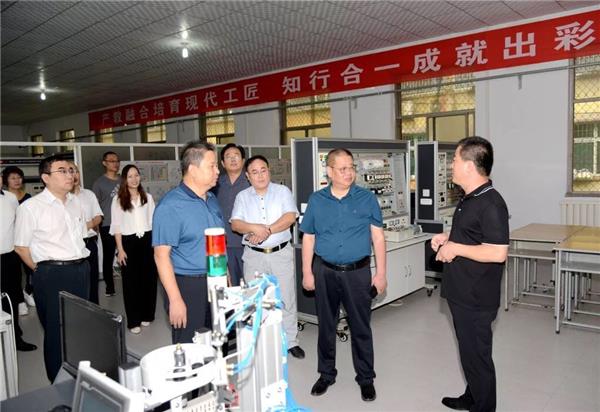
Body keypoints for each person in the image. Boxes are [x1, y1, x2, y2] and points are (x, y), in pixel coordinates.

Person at [300, 148, 386, 402]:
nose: (349, 173)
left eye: (352, 168)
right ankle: (326, 374)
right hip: (325, 271)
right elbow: (308, 237)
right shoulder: (317, 200)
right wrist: (307, 272)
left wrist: (381, 273)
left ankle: (366, 378)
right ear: (329, 171)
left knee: (361, 327)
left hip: (357, 273)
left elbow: (378, 237)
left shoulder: (366, 199)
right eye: (343, 168)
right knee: (326, 326)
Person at [431, 136, 509, 412]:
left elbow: (497, 252)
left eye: (454, 160)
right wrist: (448, 237)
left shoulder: (492, 203)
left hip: (476, 298)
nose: (450, 165)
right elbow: (473, 235)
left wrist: (455, 248)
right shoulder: (470, 198)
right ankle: (472, 396)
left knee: (478, 357)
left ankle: (483, 406)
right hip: (462, 291)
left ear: (469, 165)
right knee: (468, 352)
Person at [14, 155, 90, 382]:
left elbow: (79, 236)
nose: (70, 175)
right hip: (52, 273)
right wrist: (41, 270)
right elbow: (21, 247)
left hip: (81, 269)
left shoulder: (75, 202)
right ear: (46, 178)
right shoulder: (31, 207)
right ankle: (58, 384)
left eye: (70, 170)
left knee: (80, 326)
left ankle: (80, 376)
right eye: (62, 171)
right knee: (57, 331)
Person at [230, 155, 304, 359]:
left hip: (280, 254)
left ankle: (291, 341)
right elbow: (236, 224)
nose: (260, 175)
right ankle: (258, 342)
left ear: (269, 171)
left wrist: (267, 231)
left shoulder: (282, 191)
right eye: (255, 172)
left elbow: (290, 217)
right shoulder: (242, 197)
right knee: (254, 300)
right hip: (254, 257)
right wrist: (254, 228)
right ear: (247, 176)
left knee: (286, 298)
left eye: (263, 170)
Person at [153, 141, 223, 344]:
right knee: (189, 346)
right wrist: (175, 299)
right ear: (193, 169)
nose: (218, 171)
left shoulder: (212, 199)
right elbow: (161, 256)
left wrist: (225, 275)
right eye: (212, 166)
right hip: (187, 285)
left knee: (216, 341)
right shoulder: (171, 206)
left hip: (216, 280)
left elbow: (217, 242)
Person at [110, 164, 157, 334]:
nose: (134, 179)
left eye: (136, 175)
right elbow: (116, 226)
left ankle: (147, 314)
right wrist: (120, 249)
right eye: (130, 176)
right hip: (128, 243)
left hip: (147, 241)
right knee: (131, 283)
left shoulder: (148, 197)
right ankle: (133, 320)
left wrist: (155, 246)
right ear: (124, 179)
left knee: (149, 280)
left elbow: (153, 222)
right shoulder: (118, 200)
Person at [0, 174, 37, 352]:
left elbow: (18, 224)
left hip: (9, 257)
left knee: (11, 299)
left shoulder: (10, 198)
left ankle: (15, 338)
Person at [213, 143, 250, 287]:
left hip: (247, 244)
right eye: (228, 157)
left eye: (236, 156)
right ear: (222, 163)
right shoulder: (215, 184)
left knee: (248, 284)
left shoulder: (251, 182)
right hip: (222, 245)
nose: (233, 159)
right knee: (226, 286)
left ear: (243, 160)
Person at [2, 166, 34, 315]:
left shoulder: (24, 197)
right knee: (13, 276)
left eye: (19, 177)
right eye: (12, 178)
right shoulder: (8, 197)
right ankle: (19, 300)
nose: (17, 180)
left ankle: (27, 292)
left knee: (29, 270)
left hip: (24, 241)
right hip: (9, 244)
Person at [71, 162, 103, 304]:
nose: (74, 175)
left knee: (93, 280)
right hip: (72, 245)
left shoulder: (89, 194)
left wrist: (84, 226)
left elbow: (98, 217)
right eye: (70, 171)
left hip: (89, 243)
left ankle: (94, 308)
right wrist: (86, 226)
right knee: (76, 282)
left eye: (76, 171)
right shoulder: (63, 197)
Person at [92, 151, 120, 297]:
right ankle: (110, 286)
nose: (115, 163)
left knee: (125, 253)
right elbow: (94, 206)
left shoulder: (124, 180)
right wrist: (96, 224)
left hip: (124, 224)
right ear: (104, 163)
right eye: (112, 161)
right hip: (107, 224)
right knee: (108, 256)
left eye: (117, 161)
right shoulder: (99, 183)